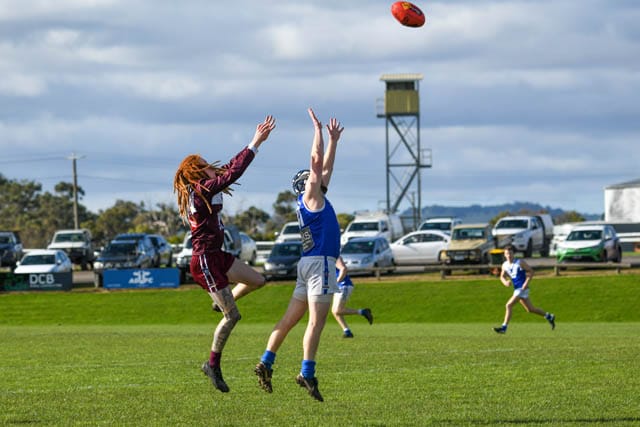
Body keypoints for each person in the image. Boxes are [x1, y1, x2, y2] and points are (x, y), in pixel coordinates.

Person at [173, 115, 276, 393]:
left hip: (217, 255)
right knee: (233, 317)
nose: (212, 167)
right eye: (206, 165)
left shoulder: (207, 186)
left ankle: (221, 303)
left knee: (258, 280)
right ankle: (212, 365)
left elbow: (230, 167)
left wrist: (254, 144)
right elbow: (234, 172)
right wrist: (255, 142)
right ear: (198, 172)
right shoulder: (201, 190)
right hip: (205, 260)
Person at [254, 108, 344, 402]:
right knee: (316, 322)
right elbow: (317, 162)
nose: (316, 177)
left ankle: (266, 361)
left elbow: (324, 169)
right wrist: (317, 131)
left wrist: (334, 142)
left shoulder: (310, 200)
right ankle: (307, 372)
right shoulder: (311, 196)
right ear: (305, 184)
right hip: (320, 265)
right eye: (311, 178)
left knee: (289, 319)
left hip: (307, 265)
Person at [493, 244, 555, 334]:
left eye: (510, 253)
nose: (509, 255)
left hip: (522, 289)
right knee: (530, 309)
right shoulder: (504, 265)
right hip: (517, 289)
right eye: (507, 254)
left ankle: (504, 328)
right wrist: (505, 282)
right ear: (504, 255)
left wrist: (526, 283)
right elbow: (502, 276)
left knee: (508, 305)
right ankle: (549, 316)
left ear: (513, 254)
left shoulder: (520, 262)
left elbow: (531, 271)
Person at [332, 256, 373, 338]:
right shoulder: (325, 257)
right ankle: (347, 332)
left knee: (338, 310)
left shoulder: (335, 256)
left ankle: (363, 312)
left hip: (344, 286)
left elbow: (344, 269)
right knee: (335, 311)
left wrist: (337, 281)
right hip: (338, 287)